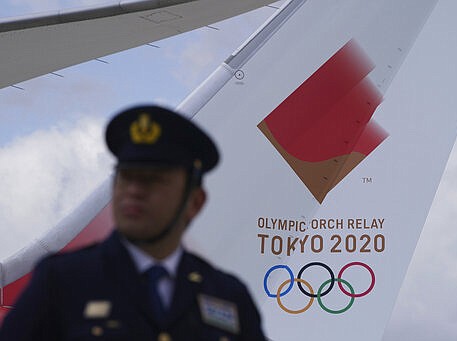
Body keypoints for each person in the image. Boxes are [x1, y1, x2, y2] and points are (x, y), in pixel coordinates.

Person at [0, 105, 266, 341]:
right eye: (126, 177)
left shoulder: (229, 297)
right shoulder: (61, 282)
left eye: (154, 179)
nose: (134, 190)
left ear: (195, 202)